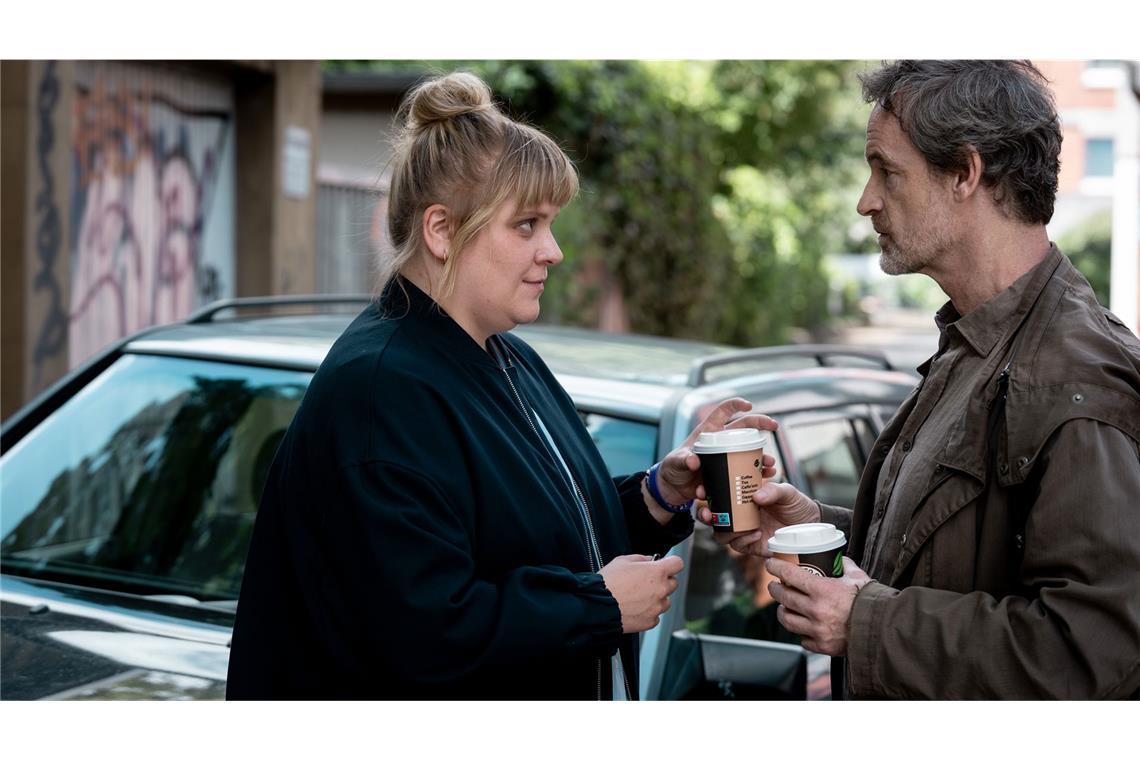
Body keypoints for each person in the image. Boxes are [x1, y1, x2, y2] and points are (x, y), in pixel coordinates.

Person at [226, 71, 777, 700]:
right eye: (527, 225)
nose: (554, 251)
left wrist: (658, 493)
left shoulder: (504, 358)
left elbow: (542, 533)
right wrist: (594, 606)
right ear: (441, 231)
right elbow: (420, 632)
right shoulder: (381, 391)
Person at [703, 60, 1140, 699]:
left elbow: (1093, 654)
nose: (866, 199)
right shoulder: (977, 340)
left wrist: (866, 622)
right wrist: (812, 524)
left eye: (887, 170)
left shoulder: (1072, 382)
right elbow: (951, 561)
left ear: (965, 173)